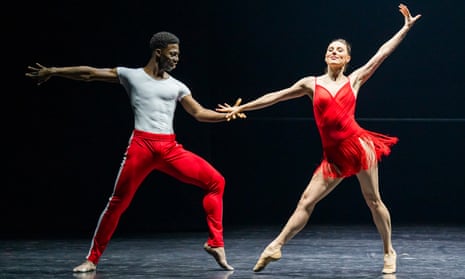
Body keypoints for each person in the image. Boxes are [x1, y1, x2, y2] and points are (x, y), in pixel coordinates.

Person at [217, 4, 421, 274]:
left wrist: (404, 28)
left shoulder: (355, 79)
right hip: (333, 157)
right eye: (330, 49)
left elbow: (381, 53)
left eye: (340, 50)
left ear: (347, 58)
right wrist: (241, 107)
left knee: (373, 200)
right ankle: (275, 246)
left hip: (358, 146)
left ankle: (388, 251)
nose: (334, 52)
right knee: (305, 201)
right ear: (325, 56)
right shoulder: (310, 84)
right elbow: (275, 96)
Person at [25, 31, 245, 273]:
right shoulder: (132, 76)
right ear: (157, 52)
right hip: (142, 146)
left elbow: (199, 113)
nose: (176, 59)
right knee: (117, 204)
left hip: (170, 148)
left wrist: (227, 115)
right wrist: (54, 71)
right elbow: (89, 73)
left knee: (216, 181)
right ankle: (92, 259)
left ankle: (216, 243)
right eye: (172, 54)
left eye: (178, 55)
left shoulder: (177, 86)